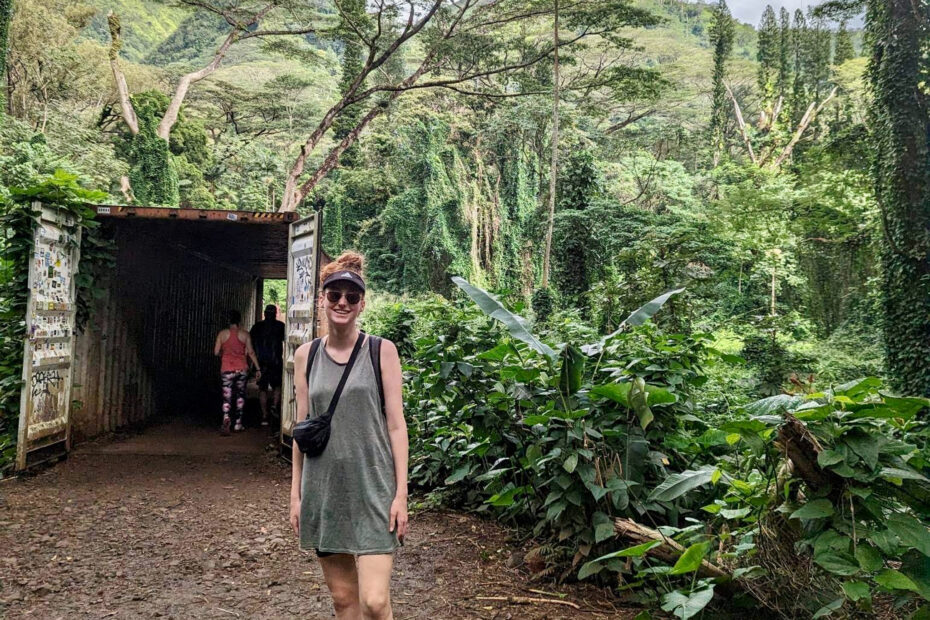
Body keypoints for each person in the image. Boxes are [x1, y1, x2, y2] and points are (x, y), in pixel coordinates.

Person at [289, 251, 408, 620]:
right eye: (335, 295)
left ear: (361, 304)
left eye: (351, 297)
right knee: (344, 601)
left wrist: (401, 492)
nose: (342, 302)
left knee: (373, 601)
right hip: (325, 489)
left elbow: (396, 425)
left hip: (373, 488)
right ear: (321, 299)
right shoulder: (306, 356)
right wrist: (296, 494)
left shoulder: (381, 351)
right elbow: (302, 429)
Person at [213, 309, 261, 434]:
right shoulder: (245, 335)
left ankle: (226, 417)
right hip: (241, 369)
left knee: (226, 396)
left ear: (228, 320)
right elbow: (250, 352)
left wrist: (225, 354)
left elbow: (216, 352)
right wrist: (257, 368)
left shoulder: (222, 334)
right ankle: (238, 423)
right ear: (239, 320)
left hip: (226, 369)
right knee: (240, 395)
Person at [250, 304, 285, 426]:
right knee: (277, 386)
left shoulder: (257, 327)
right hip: (276, 362)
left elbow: (250, 344)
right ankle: (275, 406)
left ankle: (264, 415)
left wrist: (252, 364)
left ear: (264, 314)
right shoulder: (280, 326)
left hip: (261, 363)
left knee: (262, 389)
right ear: (275, 314)